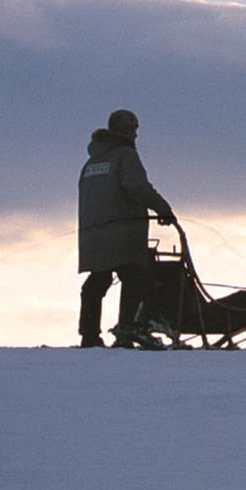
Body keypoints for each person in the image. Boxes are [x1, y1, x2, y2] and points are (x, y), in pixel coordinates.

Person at [77, 109, 177, 348]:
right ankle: (128, 330)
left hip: (91, 234)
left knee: (97, 282)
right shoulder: (125, 156)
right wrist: (163, 209)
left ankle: (89, 335)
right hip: (122, 231)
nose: (134, 134)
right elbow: (137, 187)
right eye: (133, 130)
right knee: (137, 277)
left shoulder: (92, 162)